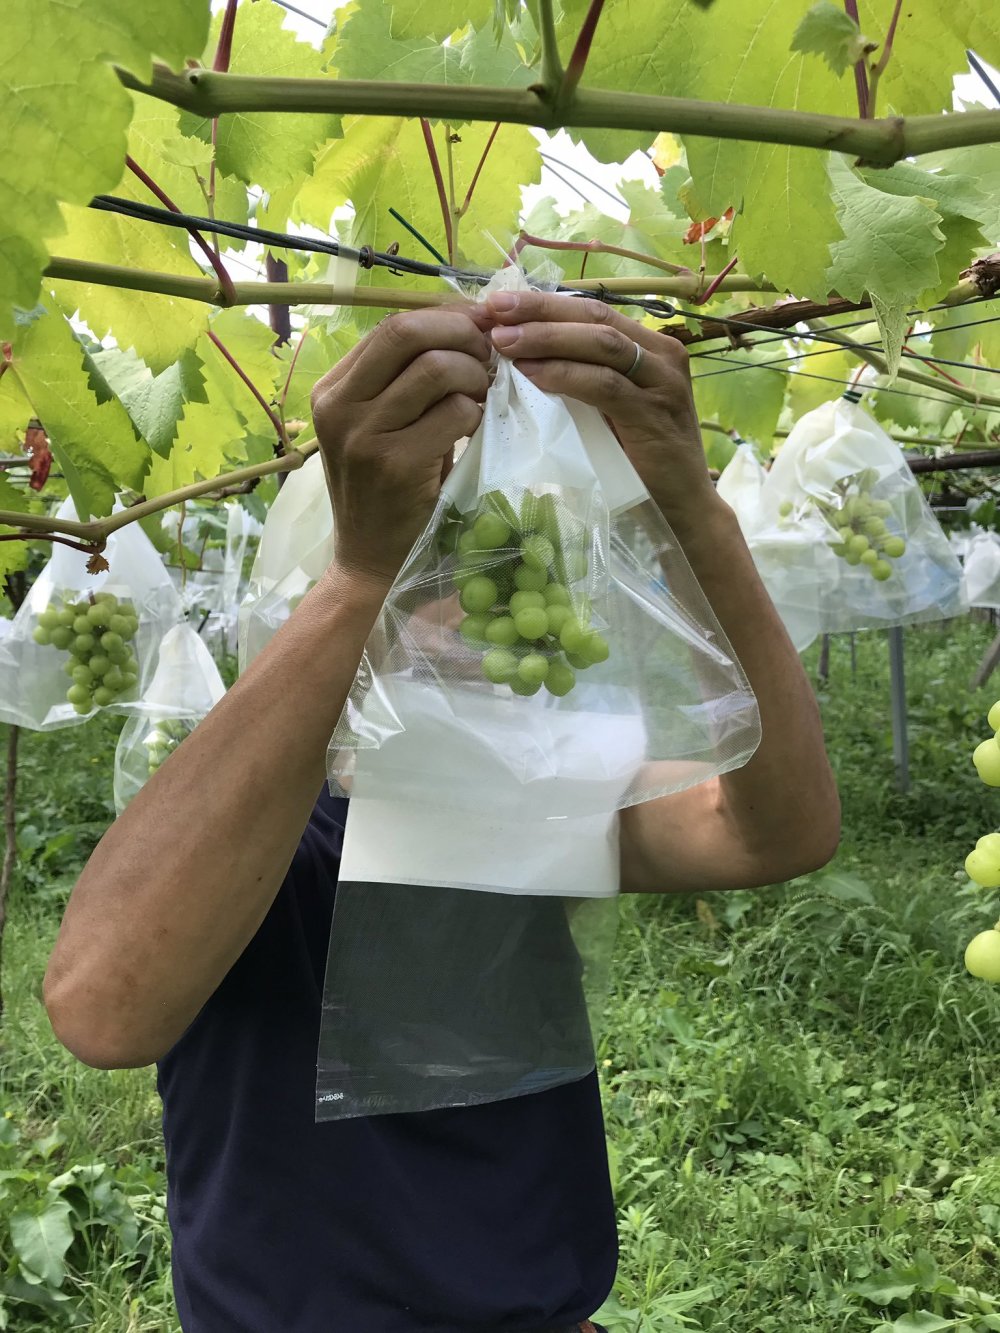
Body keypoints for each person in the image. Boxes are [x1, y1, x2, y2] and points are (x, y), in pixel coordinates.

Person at [43, 290, 840, 1332]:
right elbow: (102, 1007)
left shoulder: (523, 801)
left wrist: (686, 503)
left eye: (503, 575)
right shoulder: (259, 832)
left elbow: (773, 829)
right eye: (440, 577)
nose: (477, 607)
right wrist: (366, 573)